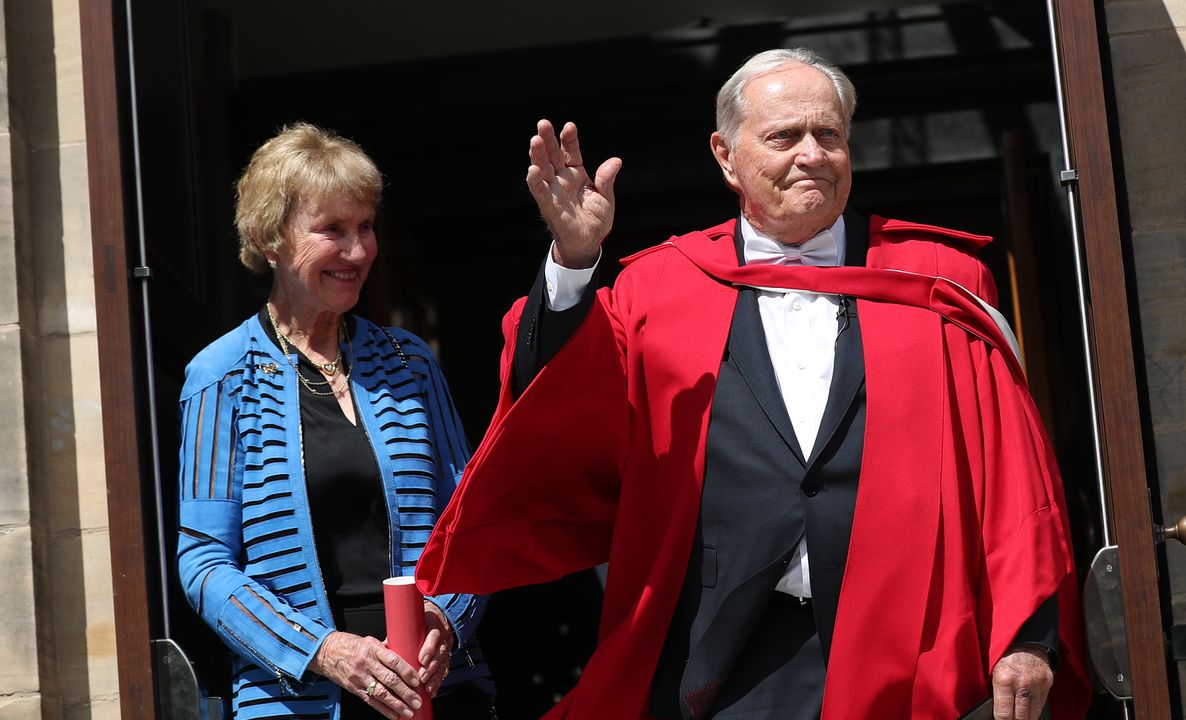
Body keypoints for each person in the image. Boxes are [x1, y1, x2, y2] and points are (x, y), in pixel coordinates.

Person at [417, 49, 1089, 719]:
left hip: (922, 648)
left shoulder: (938, 281)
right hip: (724, 658)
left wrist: (1029, 637)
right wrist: (574, 262)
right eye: (783, 136)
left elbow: (1013, 476)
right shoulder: (658, 289)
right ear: (725, 155)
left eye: (828, 135)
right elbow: (560, 408)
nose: (812, 155)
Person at [176, 123, 490, 719]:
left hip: (437, 690)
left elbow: (471, 520)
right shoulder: (220, 376)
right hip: (299, 698)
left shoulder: (410, 362)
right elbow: (203, 562)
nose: (357, 250)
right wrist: (323, 650)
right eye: (332, 230)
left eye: (366, 227)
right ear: (271, 240)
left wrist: (449, 617)